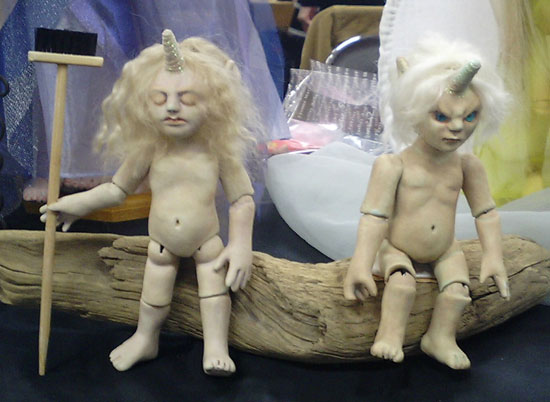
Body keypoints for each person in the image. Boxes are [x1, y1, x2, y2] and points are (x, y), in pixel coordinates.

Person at [40, 30, 261, 376]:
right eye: (160, 99)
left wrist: (241, 245)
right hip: (160, 246)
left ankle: (216, 346)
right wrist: (78, 203)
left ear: (215, 102)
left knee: (215, 293)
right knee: (153, 295)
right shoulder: (150, 149)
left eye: (187, 99)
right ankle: (146, 338)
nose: (172, 107)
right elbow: (117, 189)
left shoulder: (218, 152)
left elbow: (242, 200)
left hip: (208, 246)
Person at [343, 36, 511, 369]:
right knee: (402, 285)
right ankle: (390, 335)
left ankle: (440, 338)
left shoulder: (468, 166)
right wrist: (361, 263)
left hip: (445, 249)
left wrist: (493, 256)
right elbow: (374, 218)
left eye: (470, 116)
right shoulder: (393, 165)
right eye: (441, 117)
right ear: (414, 113)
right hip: (397, 247)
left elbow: (486, 213)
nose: (457, 128)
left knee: (458, 292)